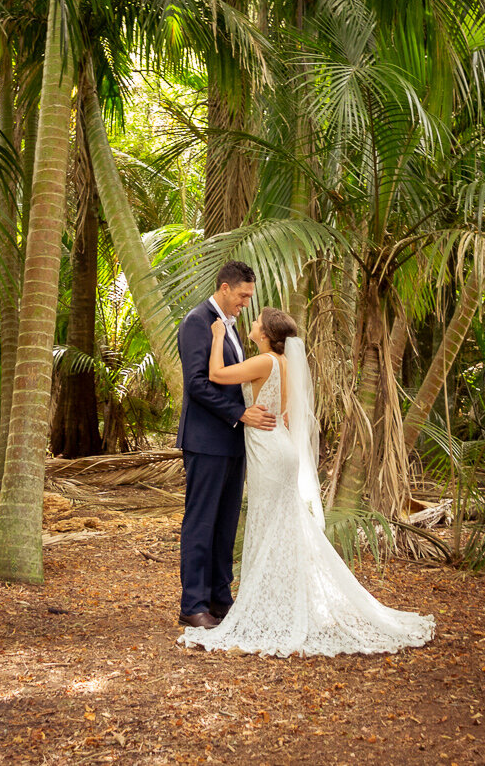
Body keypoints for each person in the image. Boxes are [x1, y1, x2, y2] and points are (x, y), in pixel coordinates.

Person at [178, 306, 436, 657]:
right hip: (279, 446)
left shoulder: (265, 361)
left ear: (267, 334)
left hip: (269, 452)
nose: (250, 323)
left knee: (269, 525)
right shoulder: (282, 365)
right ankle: (276, 600)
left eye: (257, 323)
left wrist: (220, 336)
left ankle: (271, 604)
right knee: (283, 525)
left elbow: (216, 374)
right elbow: (284, 411)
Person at [176, 261, 274, 628]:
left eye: (250, 296)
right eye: (243, 295)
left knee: (225, 523)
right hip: (206, 440)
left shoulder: (229, 327)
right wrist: (240, 413)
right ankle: (193, 605)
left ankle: (220, 599)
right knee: (201, 522)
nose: (247, 303)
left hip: (234, 441)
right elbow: (197, 384)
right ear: (224, 288)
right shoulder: (196, 322)